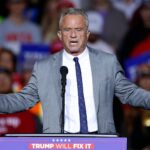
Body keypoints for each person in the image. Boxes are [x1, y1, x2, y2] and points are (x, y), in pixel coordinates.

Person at [0, 8, 150, 134]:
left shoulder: (107, 62)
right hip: (60, 142)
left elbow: (129, 93)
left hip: (100, 141)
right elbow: (23, 99)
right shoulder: (44, 67)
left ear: (87, 34)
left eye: (78, 29)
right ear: (60, 35)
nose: (73, 35)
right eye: (67, 30)